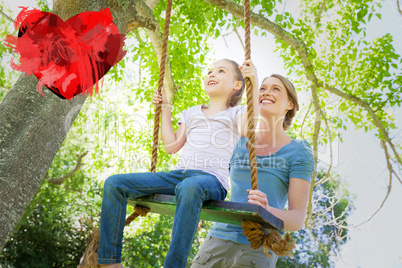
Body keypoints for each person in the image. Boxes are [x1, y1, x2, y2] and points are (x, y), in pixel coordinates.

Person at [97, 59, 259, 268]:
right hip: (179, 175)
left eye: (220, 71)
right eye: (209, 71)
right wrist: (165, 108)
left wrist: (253, 82)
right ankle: (109, 262)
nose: (212, 74)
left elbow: (248, 129)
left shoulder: (236, 113)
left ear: (237, 85)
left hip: (211, 181)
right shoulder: (192, 112)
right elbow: (172, 146)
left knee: (189, 187)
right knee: (114, 183)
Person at [190, 67, 315, 268]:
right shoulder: (237, 140)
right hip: (215, 240)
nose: (266, 92)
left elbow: (297, 219)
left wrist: (266, 210)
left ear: (290, 104)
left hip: (257, 247)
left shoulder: (299, 151)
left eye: (276, 89)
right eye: (263, 88)